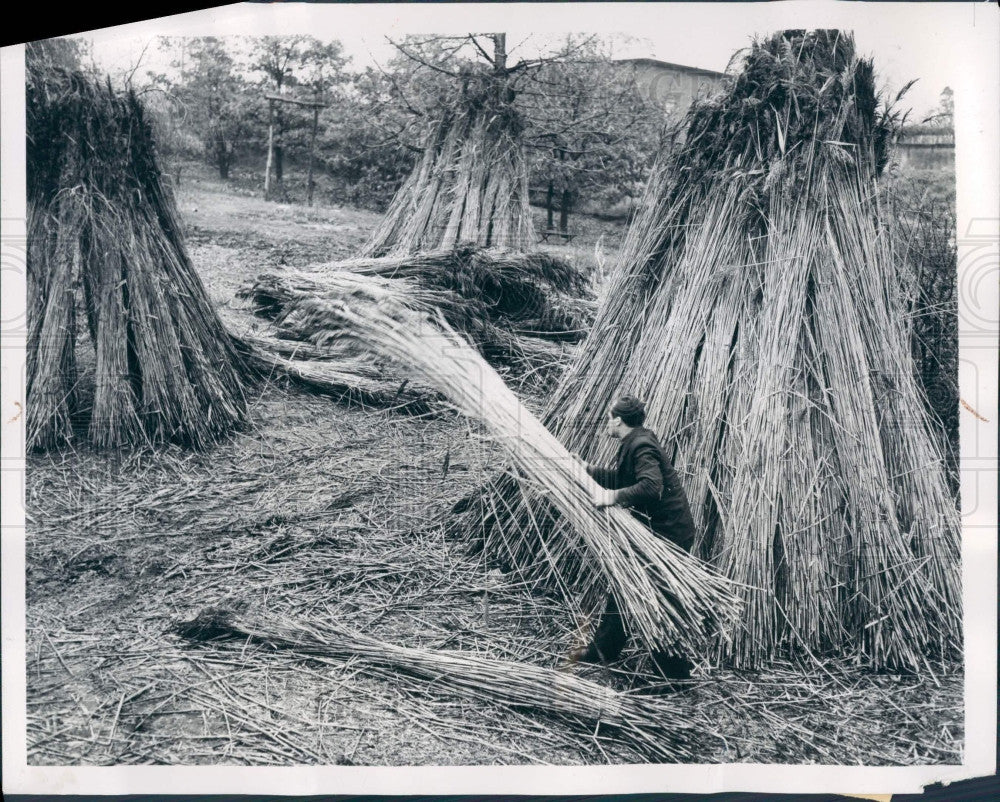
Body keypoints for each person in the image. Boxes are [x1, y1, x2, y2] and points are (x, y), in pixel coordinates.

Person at [569, 394, 697, 683]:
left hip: (670, 534)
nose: (607, 423)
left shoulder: (640, 445)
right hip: (660, 530)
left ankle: (675, 676)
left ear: (618, 420)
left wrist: (611, 497)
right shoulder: (636, 440)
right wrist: (588, 470)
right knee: (627, 582)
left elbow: (651, 487)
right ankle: (605, 649)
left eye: (608, 418)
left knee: (657, 600)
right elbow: (627, 479)